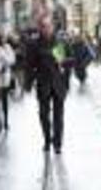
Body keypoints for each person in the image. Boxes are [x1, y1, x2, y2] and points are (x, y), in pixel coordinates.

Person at [25, 18, 74, 154]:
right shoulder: (34, 44)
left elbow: (71, 60)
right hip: (43, 83)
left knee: (59, 116)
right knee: (43, 114)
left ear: (53, 27)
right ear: (40, 29)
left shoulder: (60, 43)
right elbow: (29, 65)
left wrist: (63, 62)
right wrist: (28, 84)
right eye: (44, 27)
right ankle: (47, 139)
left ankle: (57, 143)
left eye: (48, 26)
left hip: (58, 84)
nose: (46, 29)